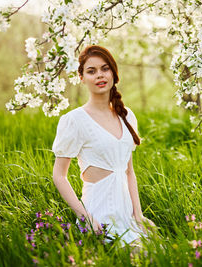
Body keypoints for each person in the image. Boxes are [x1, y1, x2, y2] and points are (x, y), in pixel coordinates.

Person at [51, 45, 155, 250]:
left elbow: (128, 171)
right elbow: (59, 176)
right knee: (138, 255)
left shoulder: (127, 115)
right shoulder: (74, 120)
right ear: (81, 77)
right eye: (91, 71)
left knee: (166, 252)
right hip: (100, 215)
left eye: (105, 69)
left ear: (114, 73)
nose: (100, 75)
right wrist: (86, 218)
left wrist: (138, 214)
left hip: (127, 213)